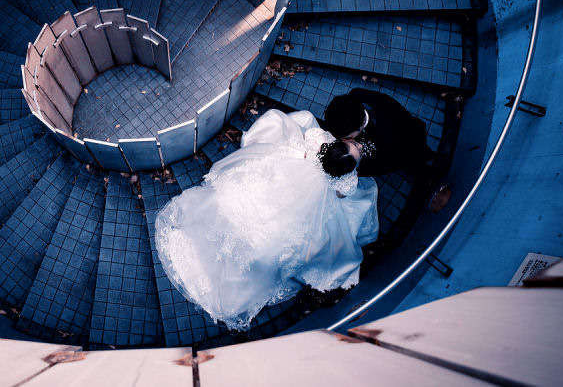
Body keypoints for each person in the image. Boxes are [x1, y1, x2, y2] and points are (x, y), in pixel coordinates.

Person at [154, 109, 378, 330]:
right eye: (356, 147)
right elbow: (342, 195)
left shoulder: (319, 141)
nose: (358, 146)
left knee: (247, 203)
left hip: (287, 173)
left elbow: (309, 129)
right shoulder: (346, 181)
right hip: (308, 199)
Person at [323, 88, 434, 178]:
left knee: (413, 158)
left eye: (346, 137)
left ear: (360, 127)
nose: (341, 139)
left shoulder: (389, 139)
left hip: (406, 141)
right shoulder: (355, 94)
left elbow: (387, 165)